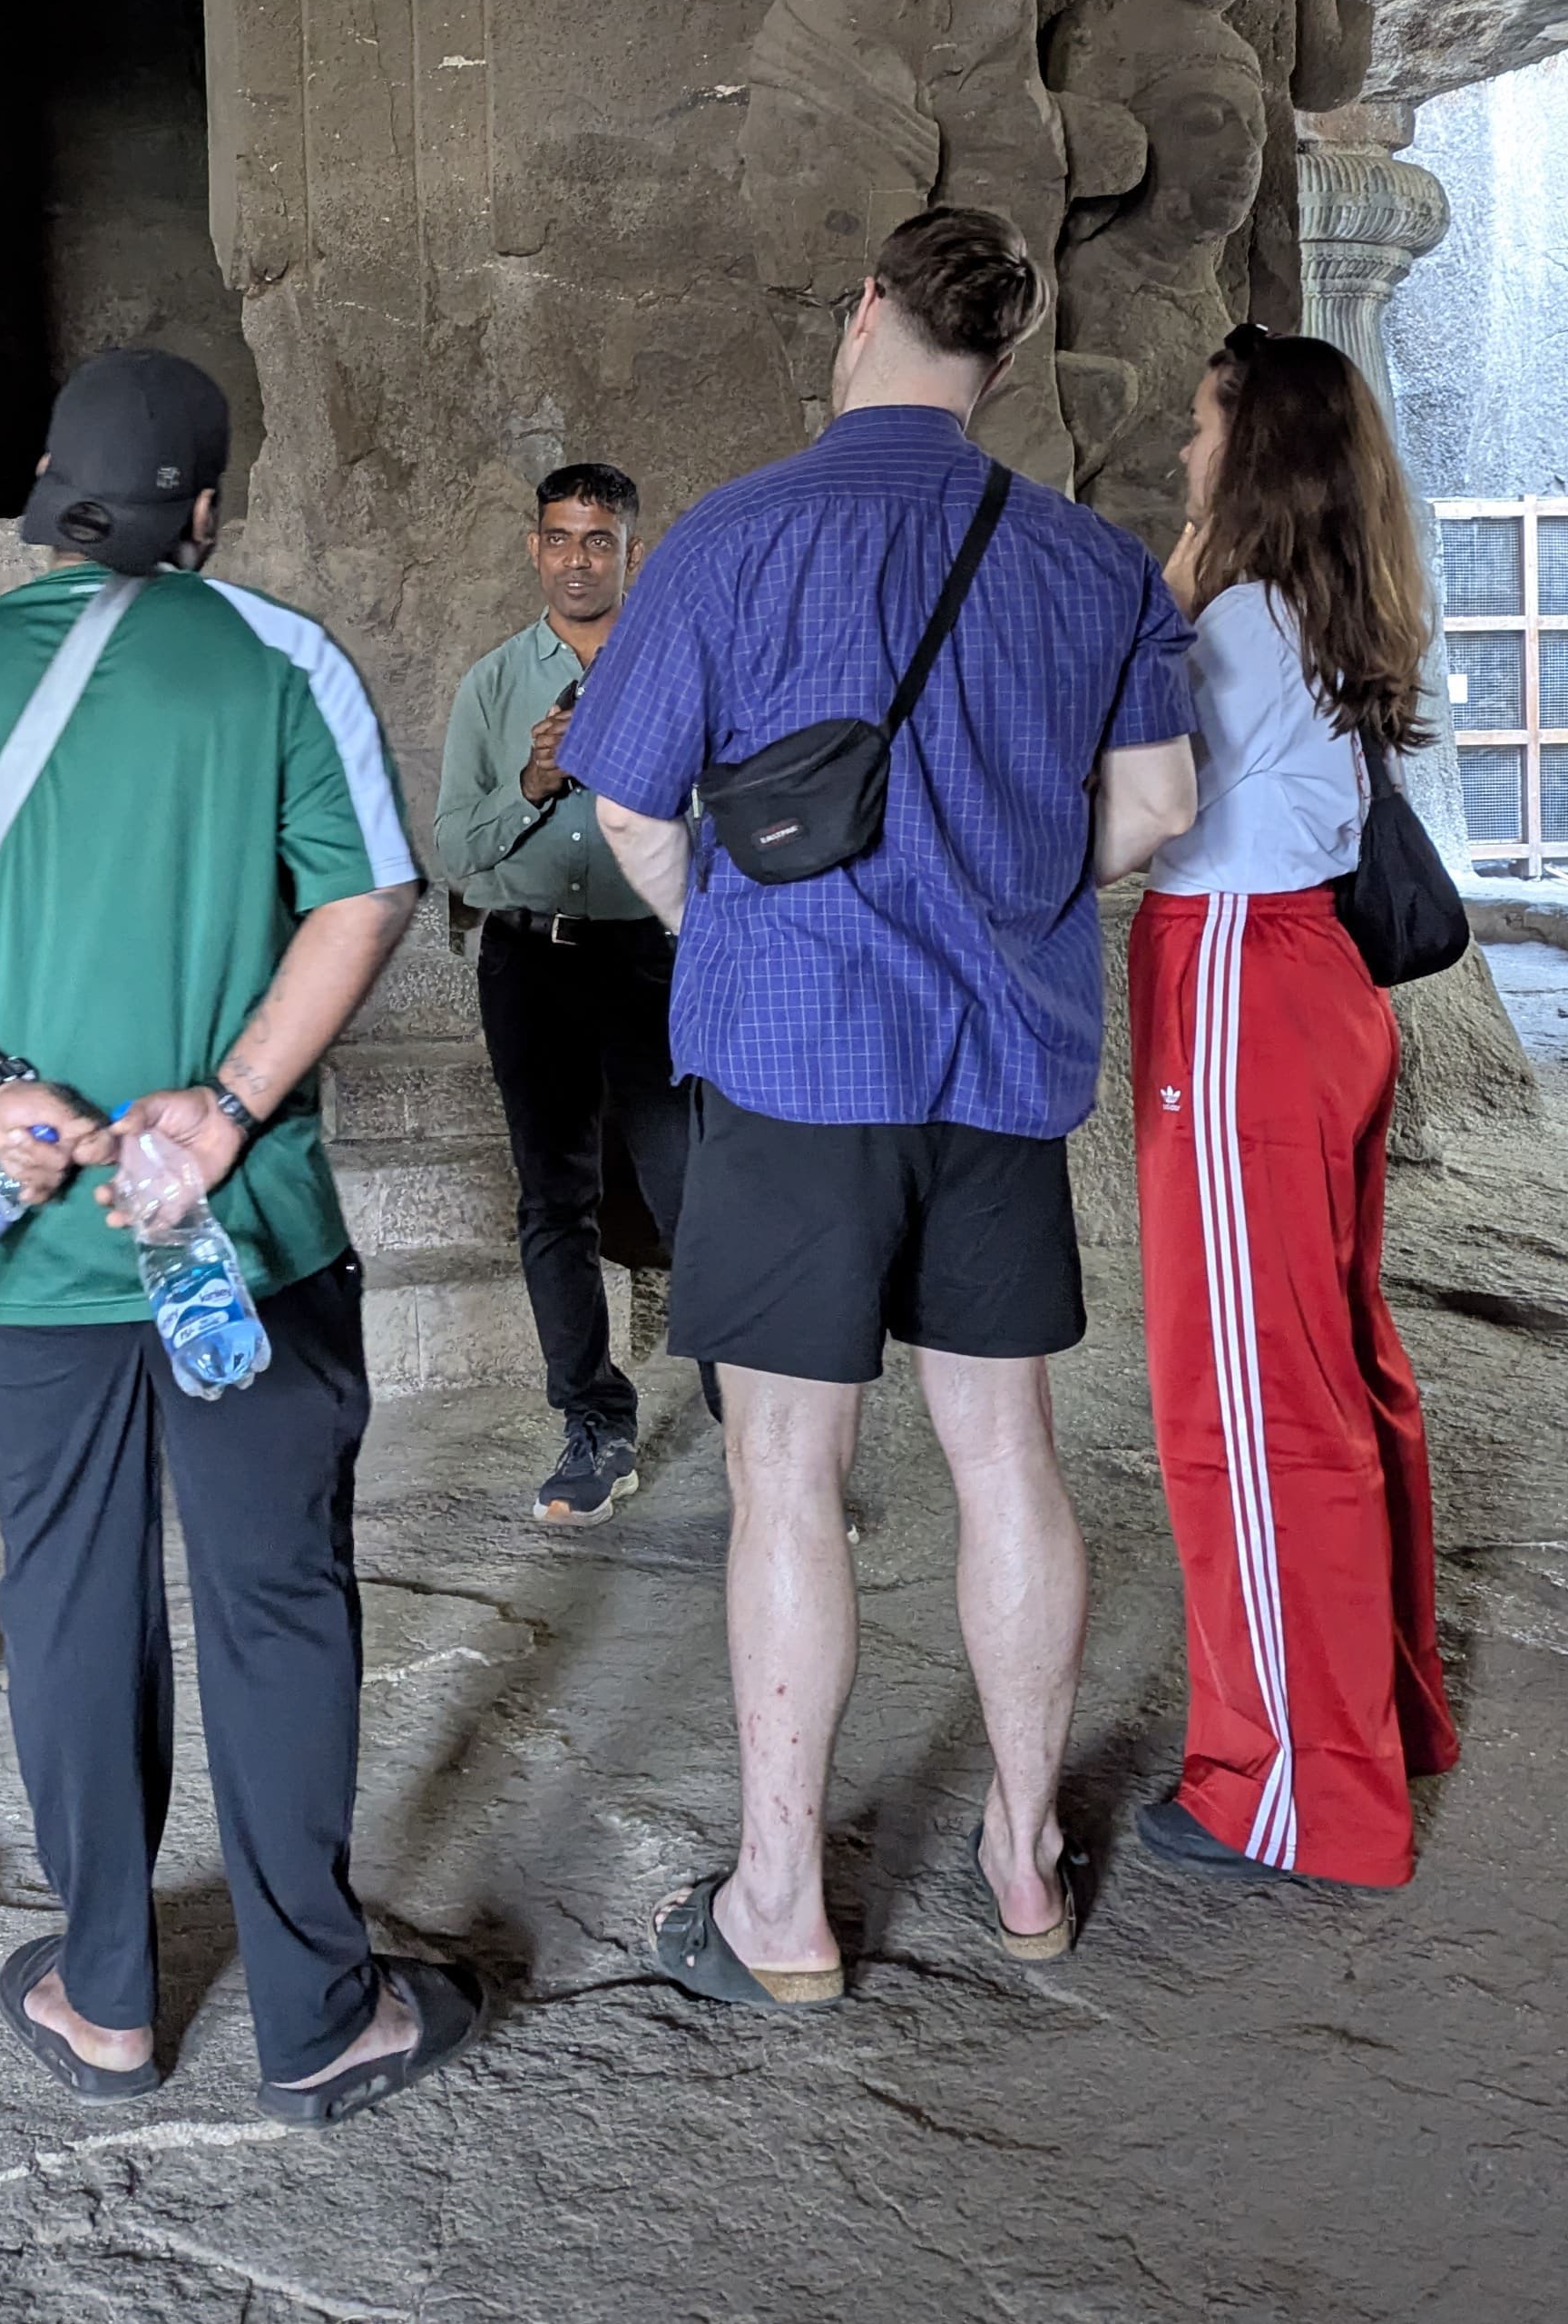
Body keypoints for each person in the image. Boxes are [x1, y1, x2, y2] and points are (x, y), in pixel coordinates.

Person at [0, 348, 482, 2124]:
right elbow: (368, 895)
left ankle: (105, 1998)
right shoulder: (279, 663)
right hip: (237, 1227)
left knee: (68, 1592)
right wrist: (227, 1103)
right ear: (207, 509)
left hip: (35, 1239)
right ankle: (316, 2016)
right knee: (276, 1599)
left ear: (44, 486)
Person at [560, 205, 1200, 2001]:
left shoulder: (732, 536)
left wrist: (731, 933)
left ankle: (783, 1901)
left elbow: (628, 807)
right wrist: (1011, 886)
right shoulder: (1087, 559)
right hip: (996, 1064)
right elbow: (1157, 808)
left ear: (864, 315)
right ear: (999, 357)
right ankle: (1022, 1858)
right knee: (1006, 1455)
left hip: (794, 1064)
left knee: (787, 1470)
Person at [1129, 325, 1461, 1888]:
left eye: (1206, 426)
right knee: (1332, 1364)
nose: (1185, 449)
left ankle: (1288, 1789)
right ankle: (1381, 1715)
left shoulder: (1241, 623)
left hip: (1235, 985)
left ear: (1251, 447)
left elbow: (1137, 809)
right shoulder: (1320, 602)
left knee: (1250, 1407)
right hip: (1309, 981)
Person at [435, 461, 693, 1523]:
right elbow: (457, 852)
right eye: (558, 538)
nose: (576, 560)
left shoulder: (676, 671)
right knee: (554, 1198)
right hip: (531, 963)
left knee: (693, 1191)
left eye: (598, 540)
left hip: (652, 961)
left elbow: (715, 815)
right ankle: (593, 1420)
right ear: (533, 548)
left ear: (632, 549)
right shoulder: (494, 684)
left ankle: (767, 1431)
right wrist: (533, 784)